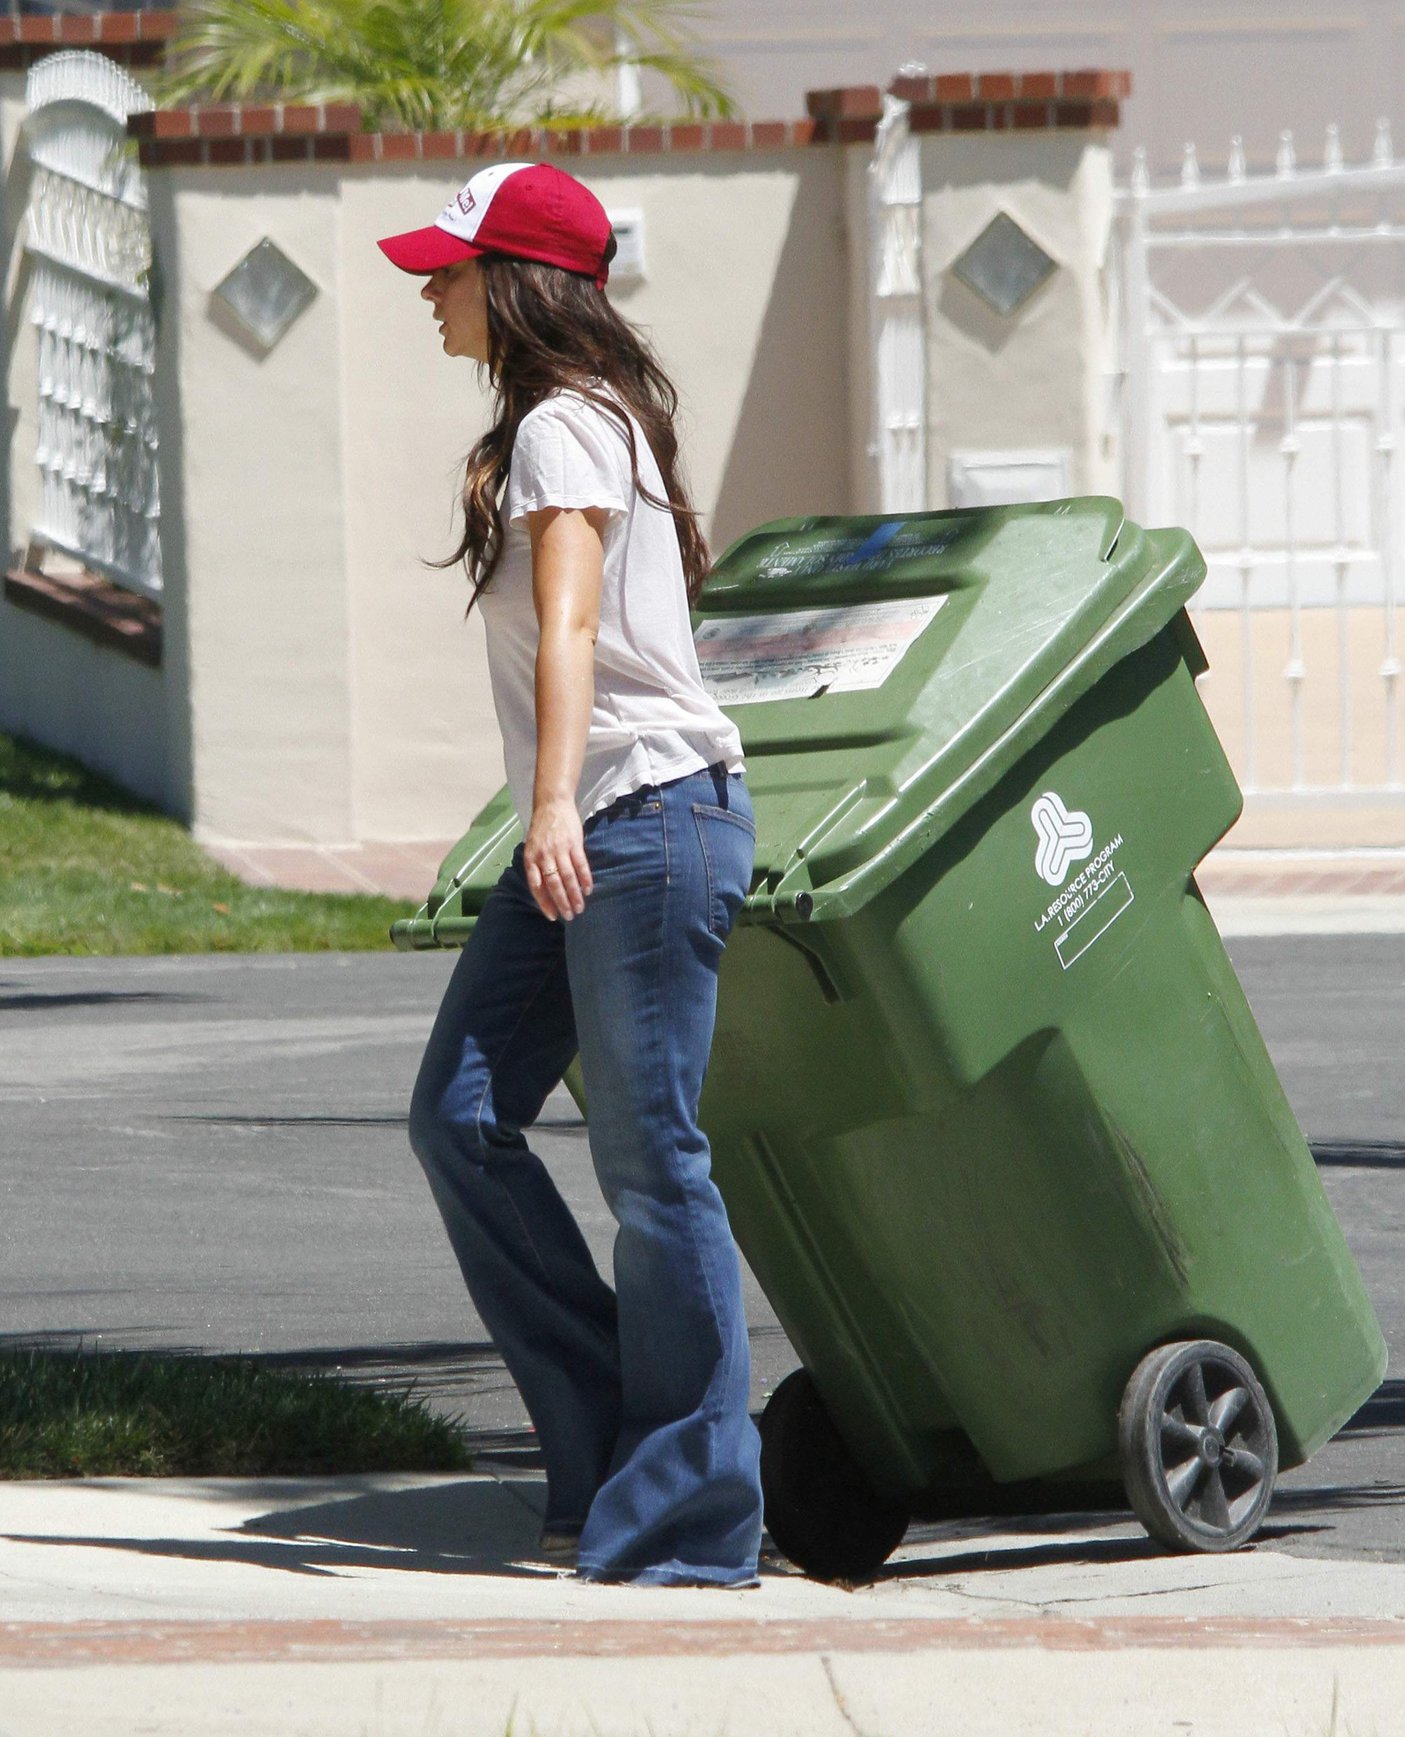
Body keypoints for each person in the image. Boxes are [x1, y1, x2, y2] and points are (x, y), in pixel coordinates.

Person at [378, 162, 763, 1587]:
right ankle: (608, 1441)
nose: (430, 289)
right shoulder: (574, 424)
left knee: (651, 1162)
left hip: (640, 818)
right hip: (602, 819)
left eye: (449, 267)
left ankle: (693, 1516)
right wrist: (553, 810)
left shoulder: (565, 426)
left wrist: (545, 803)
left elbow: (571, 626)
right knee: (457, 1115)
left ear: (517, 281)